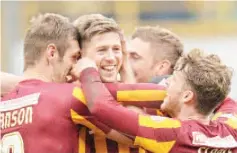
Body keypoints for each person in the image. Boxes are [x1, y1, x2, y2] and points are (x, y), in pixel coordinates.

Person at [0, 13, 167, 153]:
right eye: (75, 57)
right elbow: (140, 132)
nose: (111, 57)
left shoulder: (7, 100)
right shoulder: (70, 96)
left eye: (116, 49)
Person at [76, 49, 237, 153]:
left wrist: (87, 70)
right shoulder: (230, 128)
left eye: (172, 81)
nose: (165, 84)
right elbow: (223, 98)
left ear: (187, 96)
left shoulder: (173, 133)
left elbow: (100, 107)